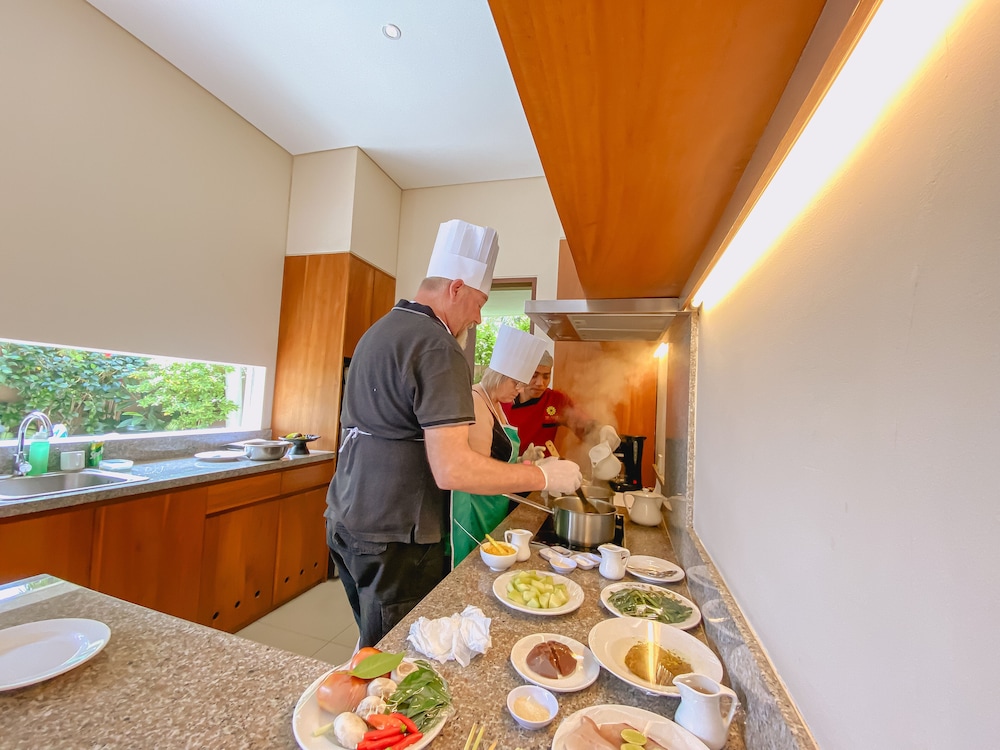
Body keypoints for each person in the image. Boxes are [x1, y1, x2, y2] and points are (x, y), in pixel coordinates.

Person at [325, 219, 582, 647]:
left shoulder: (379, 331)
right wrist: (542, 476)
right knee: (401, 656)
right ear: (456, 288)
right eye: (480, 303)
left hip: (347, 520)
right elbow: (453, 469)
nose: (478, 317)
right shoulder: (437, 345)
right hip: (396, 533)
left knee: (372, 647)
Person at [450, 325, 549, 567]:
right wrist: (535, 476)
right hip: (477, 511)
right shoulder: (476, 402)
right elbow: (480, 475)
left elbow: (498, 459)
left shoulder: (495, 404)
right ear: (499, 376)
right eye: (516, 383)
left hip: (494, 506)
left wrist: (524, 460)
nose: (520, 390)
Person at [502, 350, 620, 459]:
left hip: (544, 469)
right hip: (508, 467)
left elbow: (582, 424)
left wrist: (601, 431)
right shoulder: (504, 400)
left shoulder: (556, 400)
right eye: (534, 376)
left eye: (546, 376)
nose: (540, 383)